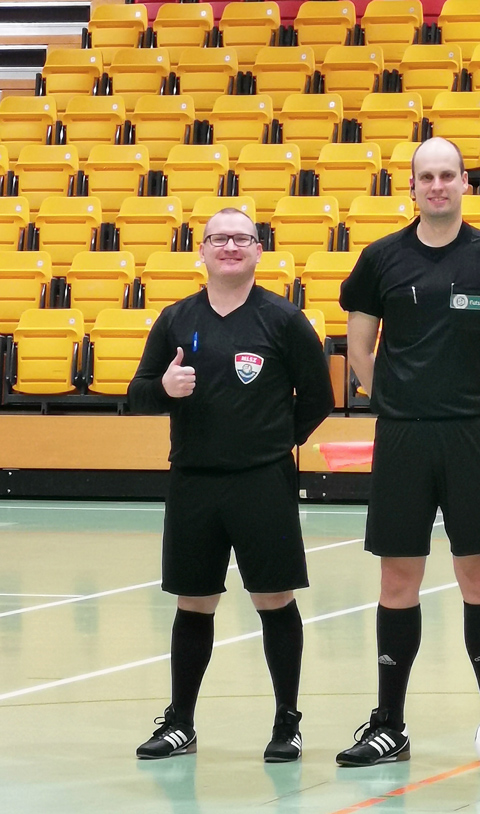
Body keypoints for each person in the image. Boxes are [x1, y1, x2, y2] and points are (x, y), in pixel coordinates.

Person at [334, 136, 480, 767]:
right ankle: (389, 724)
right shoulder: (380, 259)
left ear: (465, 184)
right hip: (402, 437)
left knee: (479, 578)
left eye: (449, 174)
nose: (438, 185)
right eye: (427, 176)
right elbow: (360, 351)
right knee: (399, 579)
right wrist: (398, 401)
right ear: (413, 186)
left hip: (472, 436)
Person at [128, 208, 334, 762]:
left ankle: (287, 723)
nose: (230, 247)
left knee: (274, 599)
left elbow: (320, 398)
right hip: (193, 480)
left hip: (263, 480)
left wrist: (272, 440)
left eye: (242, 238)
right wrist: (166, 388)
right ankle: (181, 723)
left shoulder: (284, 320)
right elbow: (136, 393)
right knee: (194, 602)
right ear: (202, 249)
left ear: (258, 251)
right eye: (220, 238)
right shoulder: (175, 318)